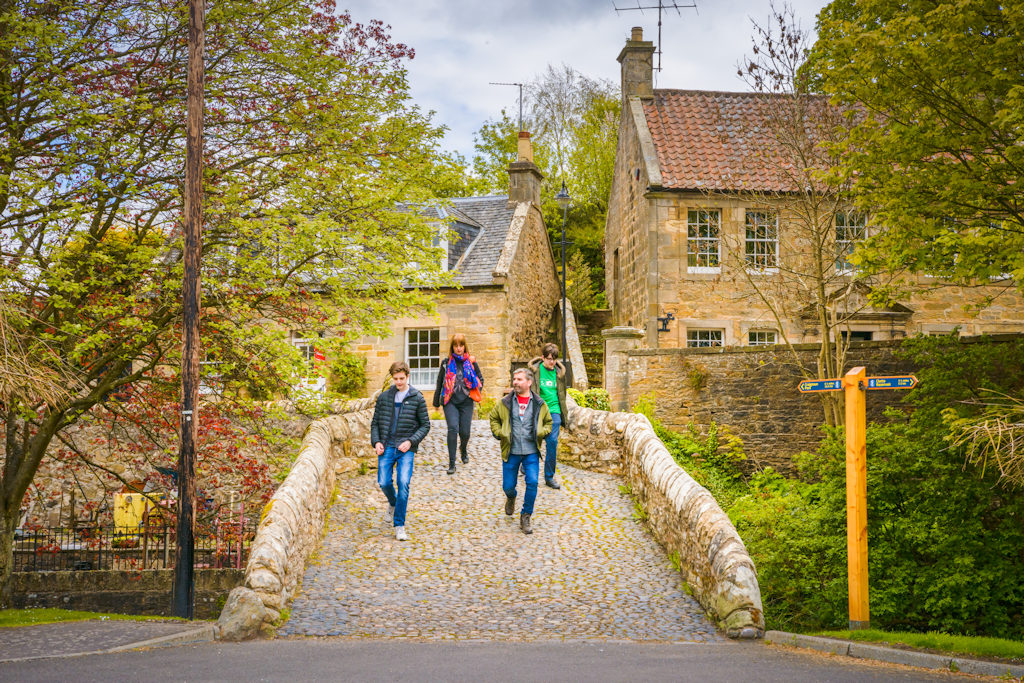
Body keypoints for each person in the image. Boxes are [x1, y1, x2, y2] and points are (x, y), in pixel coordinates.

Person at [371, 362, 430, 541]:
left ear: (407, 376)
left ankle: (399, 525)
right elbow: (375, 423)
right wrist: (377, 442)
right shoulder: (384, 398)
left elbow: (425, 425)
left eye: (401, 378)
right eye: (395, 379)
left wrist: (410, 441)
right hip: (387, 445)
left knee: (403, 483)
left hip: (406, 448)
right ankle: (393, 502)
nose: (398, 382)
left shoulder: (417, 398)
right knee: (383, 482)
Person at [489, 368, 552, 535]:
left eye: (519, 379)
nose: (515, 382)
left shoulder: (539, 403)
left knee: (532, 482)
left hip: (531, 451)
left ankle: (526, 515)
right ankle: (511, 497)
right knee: (508, 486)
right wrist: (499, 433)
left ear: (529, 382)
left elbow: (548, 422)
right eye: (514, 379)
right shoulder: (505, 402)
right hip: (511, 451)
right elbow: (493, 418)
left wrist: (542, 432)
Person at [433, 333, 483, 475]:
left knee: (465, 432)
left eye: (461, 345)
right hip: (450, 402)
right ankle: (452, 463)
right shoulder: (446, 363)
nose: (459, 348)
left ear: (464, 346)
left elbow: (480, 379)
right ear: (452, 347)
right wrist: (436, 401)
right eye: (456, 345)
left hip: (466, 402)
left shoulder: (471, 362)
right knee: (453, 429)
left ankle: (463, 449)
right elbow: (439, 382)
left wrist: (476, 390)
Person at [527, 343, 570, 489]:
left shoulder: (559, 373)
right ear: (542, 358)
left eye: (554, 359)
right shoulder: (534, 371)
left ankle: (549, 477)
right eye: (549, 358)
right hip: (538, 411)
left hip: (554, 411)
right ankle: (525, 465)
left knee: (552, 443)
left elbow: (562, 394)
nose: (551, 362)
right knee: (533, 441)